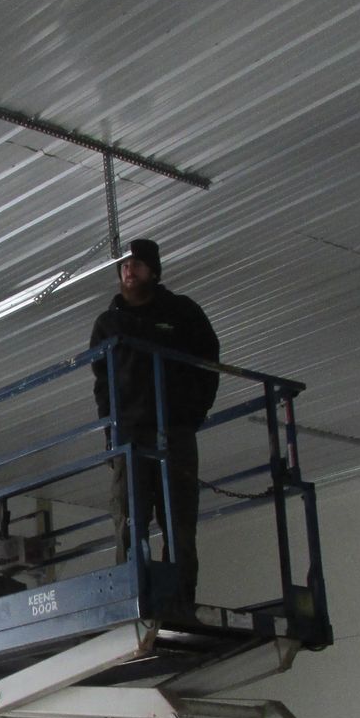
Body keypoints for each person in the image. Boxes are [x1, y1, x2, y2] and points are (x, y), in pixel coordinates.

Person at [90, 237, 219, 606]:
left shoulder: (182, 312)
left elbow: (208, 364)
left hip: (174, 431)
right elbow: (103, 381)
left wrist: (191, 415)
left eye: (138, 264)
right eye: (124, 265)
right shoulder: (108, 323)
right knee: (130, 519)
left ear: (154, 271)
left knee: (178, 520)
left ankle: (180, 597)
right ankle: (134, 598)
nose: (129, 270)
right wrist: (110, 431)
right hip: (129, 433)